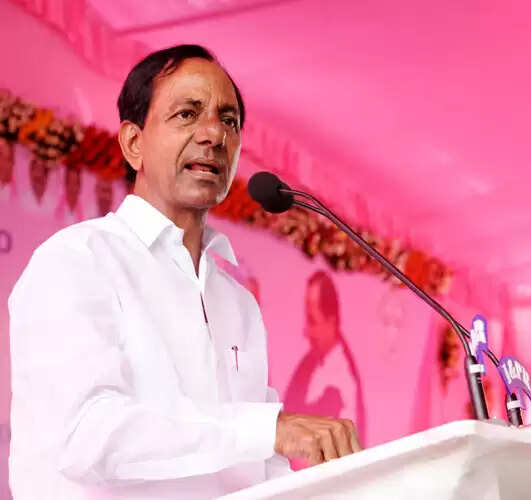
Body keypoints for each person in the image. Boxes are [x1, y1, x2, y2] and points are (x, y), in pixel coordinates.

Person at [8, 45, 361, 500]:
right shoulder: (76, 260)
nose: (214, 134)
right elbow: (85, 433)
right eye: (187, 114)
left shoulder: (237, 303)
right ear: (133, 143)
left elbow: (259, 469)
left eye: (229, 120)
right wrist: (265, 429)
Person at [285, 271, 366, 448]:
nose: (306, 332)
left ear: (332, 321)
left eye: (312, 320)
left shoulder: (343, 385)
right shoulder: (308, 364)